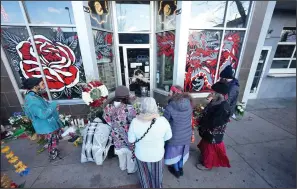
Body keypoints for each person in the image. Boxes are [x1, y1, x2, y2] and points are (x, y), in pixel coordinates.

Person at [128, 97, 172, 188]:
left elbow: (131, 140)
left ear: (142, 107)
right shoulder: (163, 121)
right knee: (157, 177)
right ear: (155, 107)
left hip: (141, 155)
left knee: (144, 176)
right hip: (157, 155)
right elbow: (168, 137)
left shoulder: (135, 121)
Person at [22, 77, 63, 160]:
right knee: (52, 140)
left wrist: (52, 108)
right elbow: (43, 115)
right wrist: (53, 105)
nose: (44, 85)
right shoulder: (32, 100)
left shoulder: (34, 95)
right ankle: (53, 154)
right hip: (46, 124)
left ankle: (54, 152)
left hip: (48, 123)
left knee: (53, 139)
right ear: (35, 86)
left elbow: (44, 108)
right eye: (42, 84)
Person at [196, 81, 231, 170]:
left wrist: (204, 123)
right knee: (206, 145)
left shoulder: (222, 107)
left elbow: (215, 122)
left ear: (219, 94)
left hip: (213, 132)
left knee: (210, 149)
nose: (211, 93)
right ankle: (204, 157)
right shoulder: (215, 101)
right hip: (207, 130)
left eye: (213, 92)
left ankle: (207, 165)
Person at [103, 86, 137, 174]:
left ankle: (122, 166)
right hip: (128, 135)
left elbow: (107, 121)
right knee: (130, 153)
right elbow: (134, 122)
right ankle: (130, 169)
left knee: (120, 152)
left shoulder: (108, 106)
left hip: (115, 135)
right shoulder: (129, 108)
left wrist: (116, 126)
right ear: (126, 96)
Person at [163, 85, 193, 178]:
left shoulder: (170, 106)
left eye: (171, 91)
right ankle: (181, 169)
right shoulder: (188, 103)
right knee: (182, 153)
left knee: (175, 155)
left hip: (175, 136)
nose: (169, 93)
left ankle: (176, 171)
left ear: (174, 93)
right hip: (186, 134)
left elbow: (165, 121)